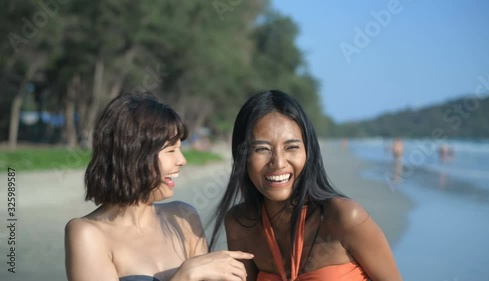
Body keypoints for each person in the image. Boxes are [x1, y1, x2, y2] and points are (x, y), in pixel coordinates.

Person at [209, 90, 402, 281]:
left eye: (291, 147)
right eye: (262, 149)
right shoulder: (240, 224)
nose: (278, 162)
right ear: (242, 156)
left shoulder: (344, 218)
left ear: (309, 152)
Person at [65, 92, 252, 281]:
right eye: (171, 150)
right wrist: (184, 276)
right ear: (133, 155)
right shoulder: (87, 233)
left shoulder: (184, 218)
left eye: (180, 148)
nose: (182, 160)